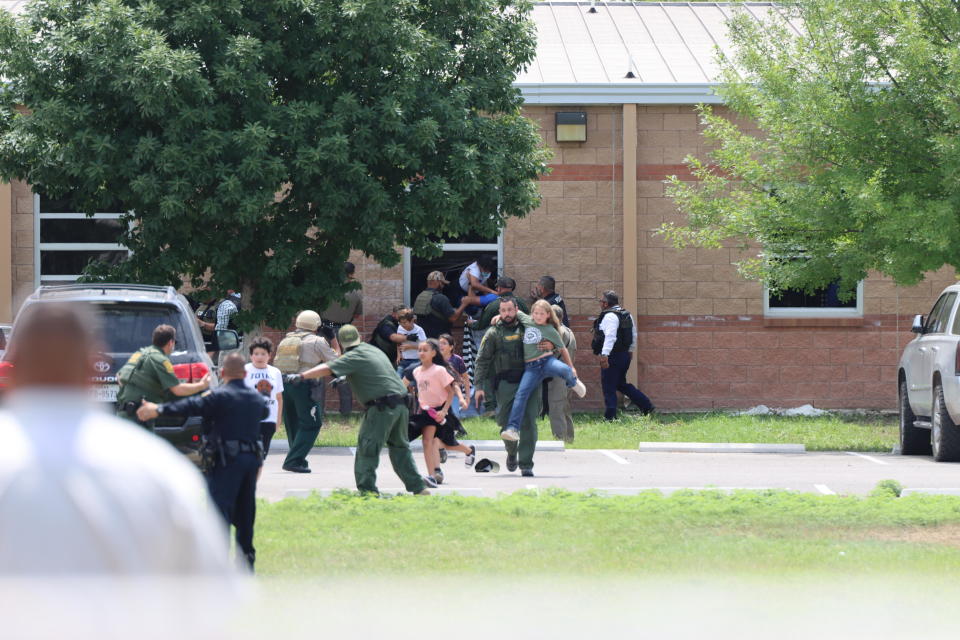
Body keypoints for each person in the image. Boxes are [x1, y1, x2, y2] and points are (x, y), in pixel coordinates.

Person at [0, 302, 234, 574]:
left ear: (10, 369)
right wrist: (203, 386)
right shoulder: (157, 469)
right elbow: (209, 585)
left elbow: (122, 378)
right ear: (92, 368)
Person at [138, 353, 267, 571]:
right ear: (245, 374)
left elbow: (190, 406)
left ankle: (217, 567)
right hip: (251, 462)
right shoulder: (256, 399)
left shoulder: (220, 397)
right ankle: (246, 566)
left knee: (219, 514)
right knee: (246, 514)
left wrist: (156, 410)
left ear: (222, 373)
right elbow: (263, 414)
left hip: (226, 462)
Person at [286, 325, 430, 495]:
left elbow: (328, 367)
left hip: (382, 407)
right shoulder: (372, 350)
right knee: (400, 448)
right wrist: (345, 377)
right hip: (401, 405)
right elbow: (373, 371)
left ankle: (367, 491)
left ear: (342, 342)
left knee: (368, 447)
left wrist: (301, 376)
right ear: (359, 338)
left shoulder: (352, 355)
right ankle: (418, 488)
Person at [496, 300, 586, 442]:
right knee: (558, 405)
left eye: (541, 314)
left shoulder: (557, 331)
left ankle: (562, 438)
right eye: (535, 313)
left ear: (550, 316)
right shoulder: (534, 322)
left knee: (557, 404)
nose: (537, 317)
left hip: (553, 370)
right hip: (542, 369)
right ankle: (514, 429)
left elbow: (562, 349)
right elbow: (512, 311)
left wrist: (568, 365)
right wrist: (499, 317)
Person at [473, 297, 543, 477]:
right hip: (505, 384)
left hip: (529, 381)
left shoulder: (527, 328)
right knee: (505, 422)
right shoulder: (493, 333)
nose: (506, 314)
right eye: (503, 311)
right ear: (498, 312)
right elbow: (482, 361)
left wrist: (520, 315)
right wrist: (479, 386)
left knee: (528, 422)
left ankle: (526, 463)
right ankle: (512, 452)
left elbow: (538, 328)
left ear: (517, 310)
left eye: (510, 310)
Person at [273, 310, 338, 473]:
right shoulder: (318, 341)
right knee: (311, 423)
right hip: (303, 385)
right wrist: (334, 339)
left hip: (282, 383)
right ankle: (294, 460)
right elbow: (337, 363)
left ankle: (298, 459)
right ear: (316, 325)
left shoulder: (286, 340)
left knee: (293, 423)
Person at [406, 339, 476, 485]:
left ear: (433, 353)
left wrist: (444, 410)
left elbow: (450, 392)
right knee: (427, 442)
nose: (421, 353)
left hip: (441, 412)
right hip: (426, 413)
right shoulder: (416, 371)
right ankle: (432, 475)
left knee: (447, 443)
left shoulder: (439, 370)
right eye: (419, 350)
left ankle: (468, 451)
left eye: (425, 350)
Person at [115, 324, 210, 429]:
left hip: (123, 415)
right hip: (139, 417)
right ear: (170, 343)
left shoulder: (140, 354)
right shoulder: (160, 359)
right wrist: (202, 385)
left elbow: (119, 378)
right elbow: (178, 390)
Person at [593, 290, 655, 420]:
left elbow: (610, 337)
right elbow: (634, 334)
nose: (600, 303)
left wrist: (605, 355)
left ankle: (610, 417)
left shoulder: (610, 316)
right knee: (621, 384)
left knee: (608, 385)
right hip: (624, 355)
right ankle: (646, 405)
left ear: (605, 303)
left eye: (601, 301)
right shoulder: (626, 314)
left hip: (612, 356)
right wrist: (630, 351)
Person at [320, 261, 363, 415]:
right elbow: (358, 313)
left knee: (317, 369)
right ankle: (346, 411)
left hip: (323, 330)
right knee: (344, 370)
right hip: (345, 331)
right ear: (351, 273)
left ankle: (318, 410)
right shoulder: (356, 290)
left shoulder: (327, 288)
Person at [243, 337, 284, 456]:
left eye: (263, 354)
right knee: (249, 454)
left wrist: (278, 419)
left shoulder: (275, 372)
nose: (259, 357)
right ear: (251, 356)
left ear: (269, 355)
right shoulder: (245, 371)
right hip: (249, 419)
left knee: (261, 455)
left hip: (269, 420)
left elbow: (279, 398)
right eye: (256, 354)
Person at [411, 271, 478, 338]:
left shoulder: (420, 296)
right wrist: (464, 304)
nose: (443, 286)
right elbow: (453, 318)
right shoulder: (441, 298)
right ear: (438, 282)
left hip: (424, 339)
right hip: (439, 339)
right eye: (442, 283)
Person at [547, 304, 577, 443]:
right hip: (568, 375)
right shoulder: (569, 331)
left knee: (556, 409)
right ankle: (569, 439)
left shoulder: (558, 332)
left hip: (558, 377)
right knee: (564, 408)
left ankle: (559, 440)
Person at [438, 333, 470, 419]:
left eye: (444, 343)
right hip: (439, 394)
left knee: (455, 417)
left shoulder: (457, 359)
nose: (440, 345)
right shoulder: (435, 360)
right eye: (439, 343)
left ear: (451, 347)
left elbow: (466, 379)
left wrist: (467, 398)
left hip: (454, 393)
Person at [395, 310, 427, 375]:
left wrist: (411, 347)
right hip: (404, 359)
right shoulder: (400, 327)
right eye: (400, 323)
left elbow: (425, 347)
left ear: (412, 321)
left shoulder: (419, 330)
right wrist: (398, 354)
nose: (402, 325)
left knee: (412, 382)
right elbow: (398, 342)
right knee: (398, 378)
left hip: (416, 360)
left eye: (405, 322)